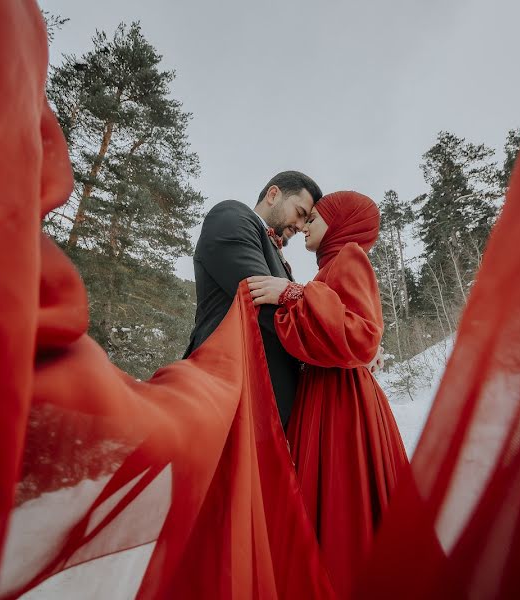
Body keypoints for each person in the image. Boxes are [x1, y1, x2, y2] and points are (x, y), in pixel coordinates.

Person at [247, 190, 409, 597]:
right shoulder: (331, 268)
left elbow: (363, 334)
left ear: (340, 223)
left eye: (314, 217)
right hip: (329, 394)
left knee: (339, 503)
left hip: (342, 402)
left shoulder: (348, 257)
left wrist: (292, 293)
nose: (304, 225)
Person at [184, 171, 322, 426]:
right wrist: (338, 338)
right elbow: (261, 303)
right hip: (227, 396)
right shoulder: (232, 217)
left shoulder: (277, 255)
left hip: (265, 408)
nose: (302, 226)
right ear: (273, 194)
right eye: (300, 213)